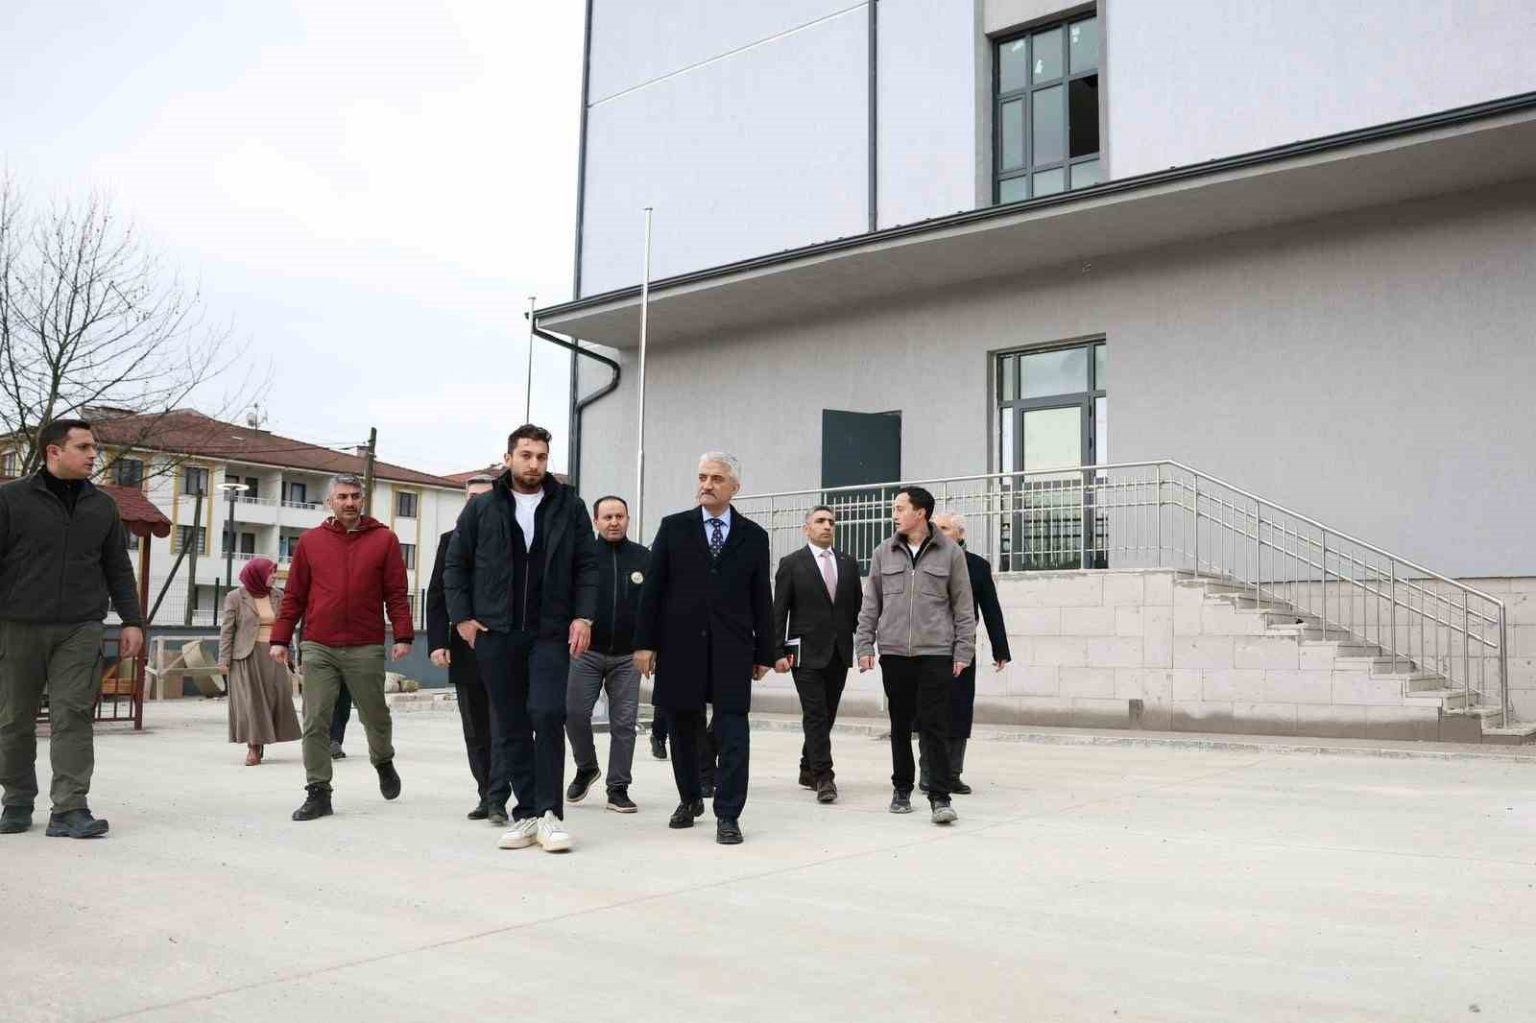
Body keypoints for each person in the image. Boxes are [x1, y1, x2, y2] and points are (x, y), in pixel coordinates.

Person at [444, 424, 598, 854]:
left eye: (541, 457)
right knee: (510, 723)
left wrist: (583, 616)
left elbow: (588, 565)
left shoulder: (569, 506)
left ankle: (549, 815)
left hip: (550, 631)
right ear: (508, 458)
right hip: (496, 633)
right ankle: (527, 813)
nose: (534, 464)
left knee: (547, 713)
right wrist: (463, 620)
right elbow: (456, 565)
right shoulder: (482, 508)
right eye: (526, 455)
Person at [0, 419, 144, 839]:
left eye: (93, 447)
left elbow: (118, 567)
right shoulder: (11, 499)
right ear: (54, 451)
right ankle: (17, 801)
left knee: (73, 715)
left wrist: (132, 620)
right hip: (17, 625)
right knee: (13, 719)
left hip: (80, 627)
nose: (93, 455)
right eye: (83, 447)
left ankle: (69, 808)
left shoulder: (102, 506)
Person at [634, 452, 774, 846]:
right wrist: (644, 643)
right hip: (679, 646)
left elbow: (761, 597)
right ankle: (690, 797)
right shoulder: (674, 528)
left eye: (716, 478)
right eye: (702, 477)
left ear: (735, 487)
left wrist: (765, 651)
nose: (707, 485)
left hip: (732, 649)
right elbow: (652, 590)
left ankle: (728, 814)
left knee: (733, 733)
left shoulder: (753, 536)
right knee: (681, 728)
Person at [270, 473, 413, 821]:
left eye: (355, 496)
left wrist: (404, 635)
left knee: (374, 715)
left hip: (365, 645)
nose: (349, 502)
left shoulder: (384, 540)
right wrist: (280, 638)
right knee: (315, 719)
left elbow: (396, 593)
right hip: (319, 644)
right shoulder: (310, 542)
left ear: (362, 500)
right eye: (342, 496)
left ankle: (383, 760)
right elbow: (294, 596)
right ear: (330, 502)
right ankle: (318, 791)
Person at [854, 485, 975, 826]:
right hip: (894, 652)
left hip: (936, 652)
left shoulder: (950, 553)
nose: (894, 514)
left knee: (935, 725)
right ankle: (902, 789)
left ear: (920, 513)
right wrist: (864, 645)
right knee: (900, 724)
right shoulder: (883, 552)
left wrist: (963, 649)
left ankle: (940, 796)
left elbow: (963, 606)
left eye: (900, 508)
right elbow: (871, 603)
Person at [565, 495, 649, 814]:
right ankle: (586, 767)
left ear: (627, 519)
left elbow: (654, 606)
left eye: (619, 516)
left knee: (624, 724)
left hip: (628, 656)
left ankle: (618, 788)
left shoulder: (644, 558)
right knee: (573, 713)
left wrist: (650, 645)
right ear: (596, 521)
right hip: (585, 652)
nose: (614, 522)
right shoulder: (581, 557)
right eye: (607, 517)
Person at [425, 473, 502, 822]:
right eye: (472, 497)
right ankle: (486, 794)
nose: (478, 503)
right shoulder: (450, 541)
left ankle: (500, 794)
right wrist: (438, 642)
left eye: (485, 497)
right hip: (464, 649)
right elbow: (437, 594)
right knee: (476, 729)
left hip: (505, 648)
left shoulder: (514, 538)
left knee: (504, 726)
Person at [772, 505, 861, 804]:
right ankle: (824, 776)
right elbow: (779, 612)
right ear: (806, 528)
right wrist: (776, 652)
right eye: (820, 521)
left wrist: (865, 646)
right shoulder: (791, 563)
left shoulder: (849, 564)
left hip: (839, 652)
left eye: (831, 522)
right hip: (805, 654)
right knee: (816, 714)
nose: (827, 526)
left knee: (828, 714)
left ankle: (807, 767)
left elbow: (857, 610)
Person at [922, 513, 1011, 795]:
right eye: (934, 527)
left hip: (962, 646)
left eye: (944, 528)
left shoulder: (977, 566)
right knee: (929, 709)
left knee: (959, 709)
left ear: (960, 534)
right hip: (928, 646)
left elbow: (991, 608)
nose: (937, 531)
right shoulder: (922, 560)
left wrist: (1000, 648)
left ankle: (952, 774)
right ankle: (928, 773)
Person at [218, 557, 301, 766]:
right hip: (246, 656)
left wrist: (290, 653)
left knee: (273, 699)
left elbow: (286, 625)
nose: (274, 576)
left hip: (273, 654)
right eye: (271, 573)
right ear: (258, 574)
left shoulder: (278, 595)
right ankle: (253, 747)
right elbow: (227, 630)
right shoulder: (235, 597)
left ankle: (262, 739)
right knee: (252, 702)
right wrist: (223, 659)